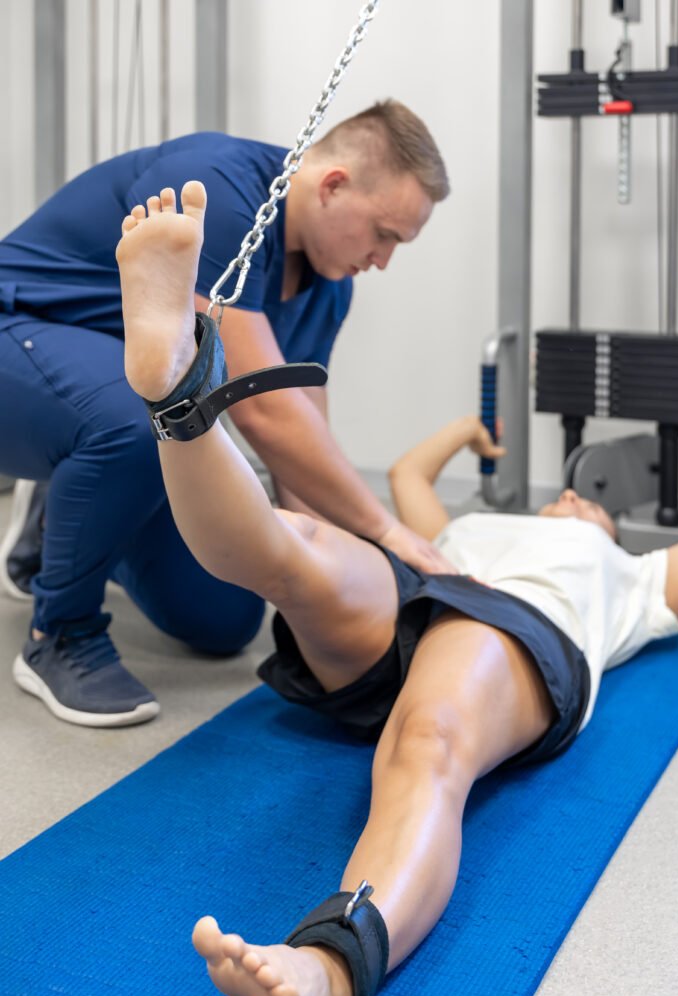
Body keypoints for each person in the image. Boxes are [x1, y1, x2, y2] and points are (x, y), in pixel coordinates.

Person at [116, 180, 678, 996]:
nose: (573, 503)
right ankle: (178, 390)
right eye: (566, 497)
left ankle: (329, 970)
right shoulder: (481, 523)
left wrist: (595, 526)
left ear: (610, 525)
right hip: (422, 590)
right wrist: (472, 430)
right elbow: (412, 481)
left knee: (428, 743)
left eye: (589, 504)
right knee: (295, 547)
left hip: (525, 633)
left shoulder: (630, 571)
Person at [0, 100, 452, 727]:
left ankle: (64, 520)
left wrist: (354, 576)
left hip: (100, 395)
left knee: (227, 618)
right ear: (333, 185)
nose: (383, 260)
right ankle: (60, 633)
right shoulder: (220, 185)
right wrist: (390, 532)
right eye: (384, 234)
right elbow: (265, 413)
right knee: (140, 417)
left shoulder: (330, 285)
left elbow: (301, 442)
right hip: (17, 338)